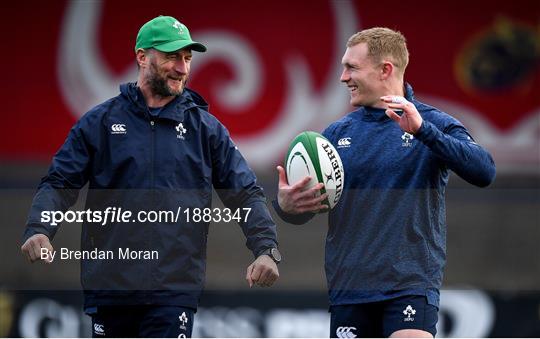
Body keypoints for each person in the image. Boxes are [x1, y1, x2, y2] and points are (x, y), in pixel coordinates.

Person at [20, 15, 281, 338]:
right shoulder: (99, 122)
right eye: (172, 56)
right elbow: (60, 182)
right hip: (110, 290)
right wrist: (40, 228)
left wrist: (266, 249)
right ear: (142, 57)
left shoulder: (206, 129)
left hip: (173, 293)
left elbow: (245, 192)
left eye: (187, 58)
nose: (183, 68)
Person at [274, 27, 495, 338]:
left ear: (385, 70)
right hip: (350, 290)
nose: (342, 77)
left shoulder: (432, 123)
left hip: (410, 286)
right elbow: (307, 208)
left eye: (351, 67)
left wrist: (422, 132)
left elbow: (484, 171)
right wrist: (286, 206)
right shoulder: (336, 135)